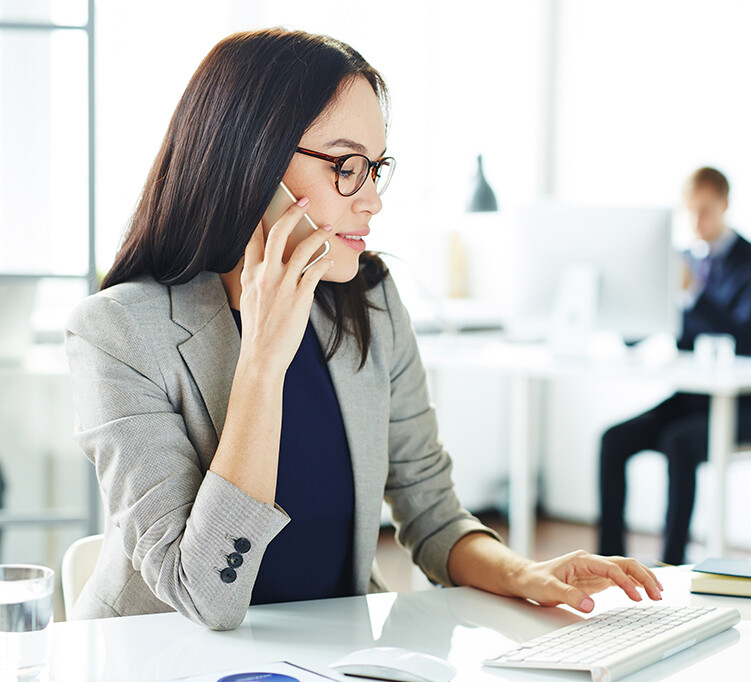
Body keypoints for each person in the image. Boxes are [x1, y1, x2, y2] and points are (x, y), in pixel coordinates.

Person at [65, 28, 661, 630]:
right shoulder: (117, 334)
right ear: (253, 166)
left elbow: (432, 512)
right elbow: (203, 598)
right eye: (348, 167)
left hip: (333, 671)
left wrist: (524, 574)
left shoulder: (367, 299)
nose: (372, 200)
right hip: (156, 678)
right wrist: (263, 364)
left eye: (376, 168)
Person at [598, 166, 751, 565]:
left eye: (706, 211)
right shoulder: (678, 262)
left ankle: (670, 567)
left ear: (725, 204)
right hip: (690, 399)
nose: (697, 222)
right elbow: (634, 336)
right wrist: (630, 289)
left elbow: (745, 339)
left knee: (679, 442)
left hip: (745, 406)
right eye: (691, 211)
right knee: (613, 439)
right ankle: (609, 561)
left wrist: (693, 291)